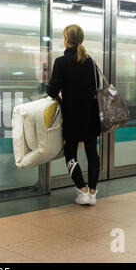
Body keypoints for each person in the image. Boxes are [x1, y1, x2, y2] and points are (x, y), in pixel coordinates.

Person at [48, 24, 101, 206]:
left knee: (70, 153)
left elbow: (52, 90)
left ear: (66, 39)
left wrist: (62, 96)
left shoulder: (61, 62)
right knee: (92, 152)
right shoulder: (91, 62)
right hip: (91, 114)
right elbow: (96, 88)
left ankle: (82, 190)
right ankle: (93, 193)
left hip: (71, 116)